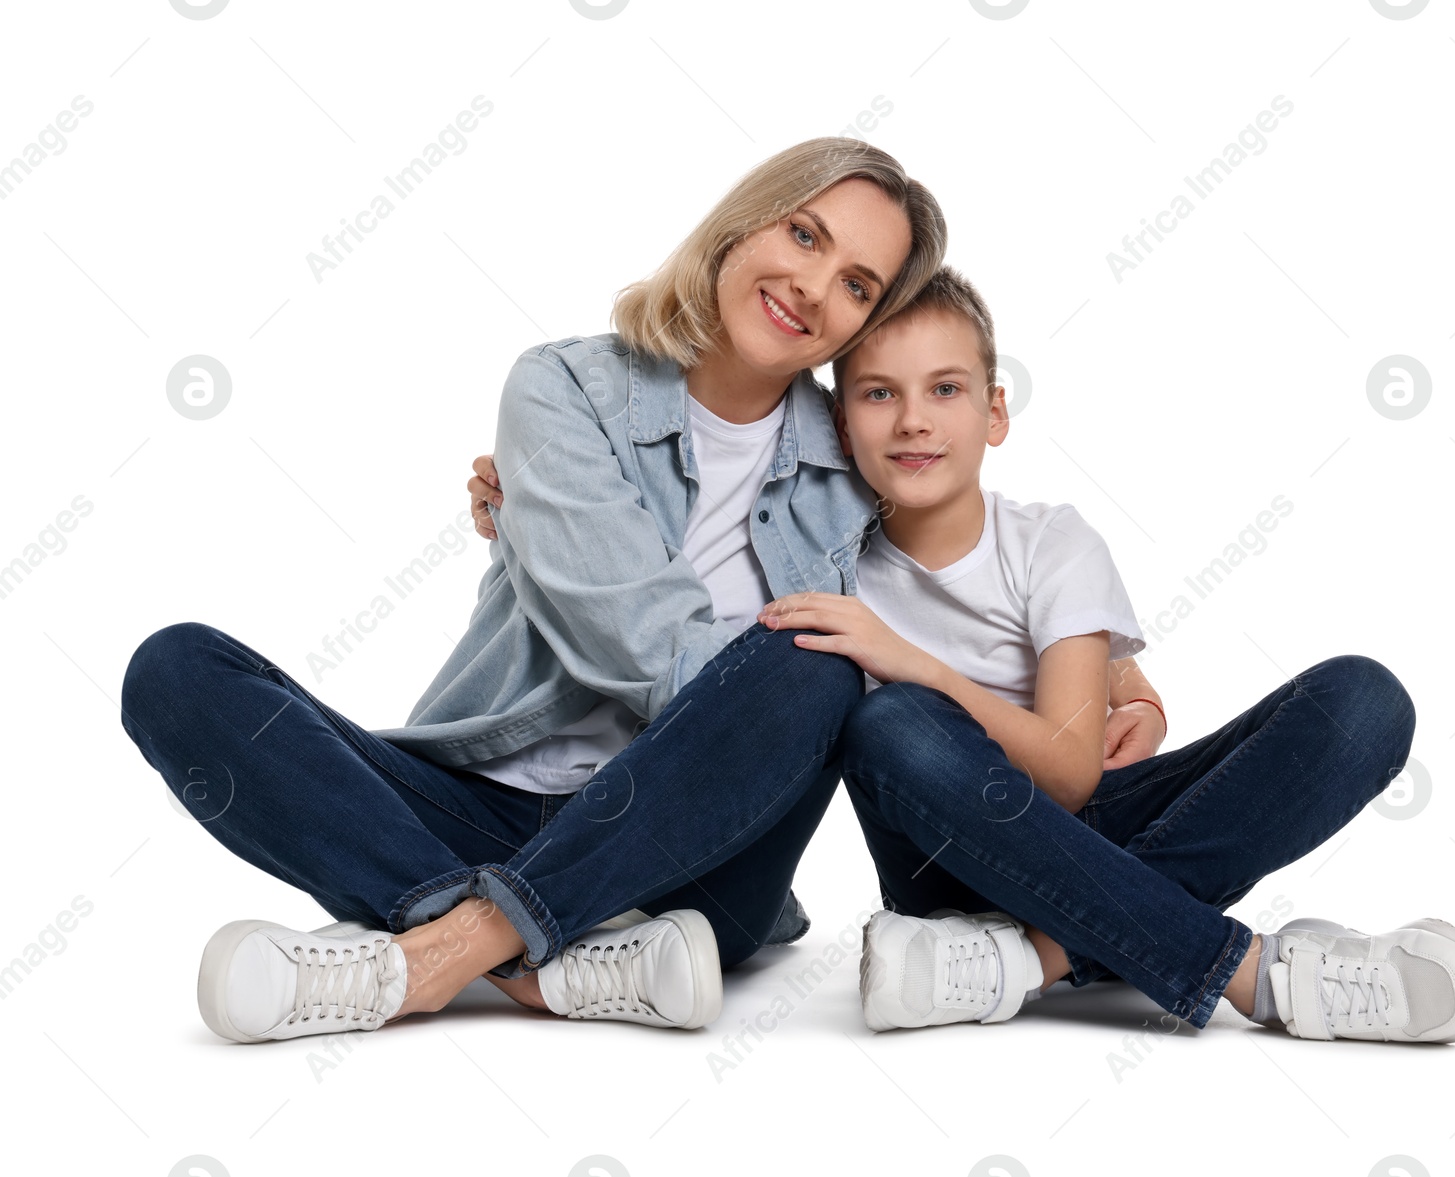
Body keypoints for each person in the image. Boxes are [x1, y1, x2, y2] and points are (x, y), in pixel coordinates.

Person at [119, 137, 970, 1043]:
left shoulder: (858, 470)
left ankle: (432, 953)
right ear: (743, 224)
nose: (813, 286)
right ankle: (551, 956)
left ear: (863, 327)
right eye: (805, 235)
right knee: (177, 670)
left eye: (857, 284)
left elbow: (966, 573)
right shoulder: (564, 388)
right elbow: (642, 644)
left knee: (815, 666)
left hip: (689, 852)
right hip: (481, 812)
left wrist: (1089, 657)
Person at [749, 264, 1455, 1042]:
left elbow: (1072, 777)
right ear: (840, 426)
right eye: (878, 393)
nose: (913, 420)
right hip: (945, 870)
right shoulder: (825, 562)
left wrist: (923, 660)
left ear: (994, 410)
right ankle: (1262, 976)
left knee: (1363, 701)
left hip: (1083, 826)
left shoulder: (1052, 542)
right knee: (891, 722)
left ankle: (1025, 961)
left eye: (945, 389)